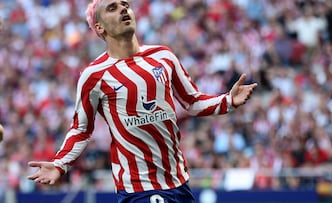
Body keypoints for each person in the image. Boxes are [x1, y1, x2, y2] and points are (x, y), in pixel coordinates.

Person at [27, 0, 258, 202]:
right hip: (138, 187)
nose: (124, 9)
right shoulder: (94, 75)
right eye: (113, 8)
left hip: (178, 182)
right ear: (100, 27)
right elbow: (81, 128)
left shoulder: (163, 56)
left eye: (126, 4)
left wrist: (228, 100)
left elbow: (193, 102)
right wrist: (59, 164)